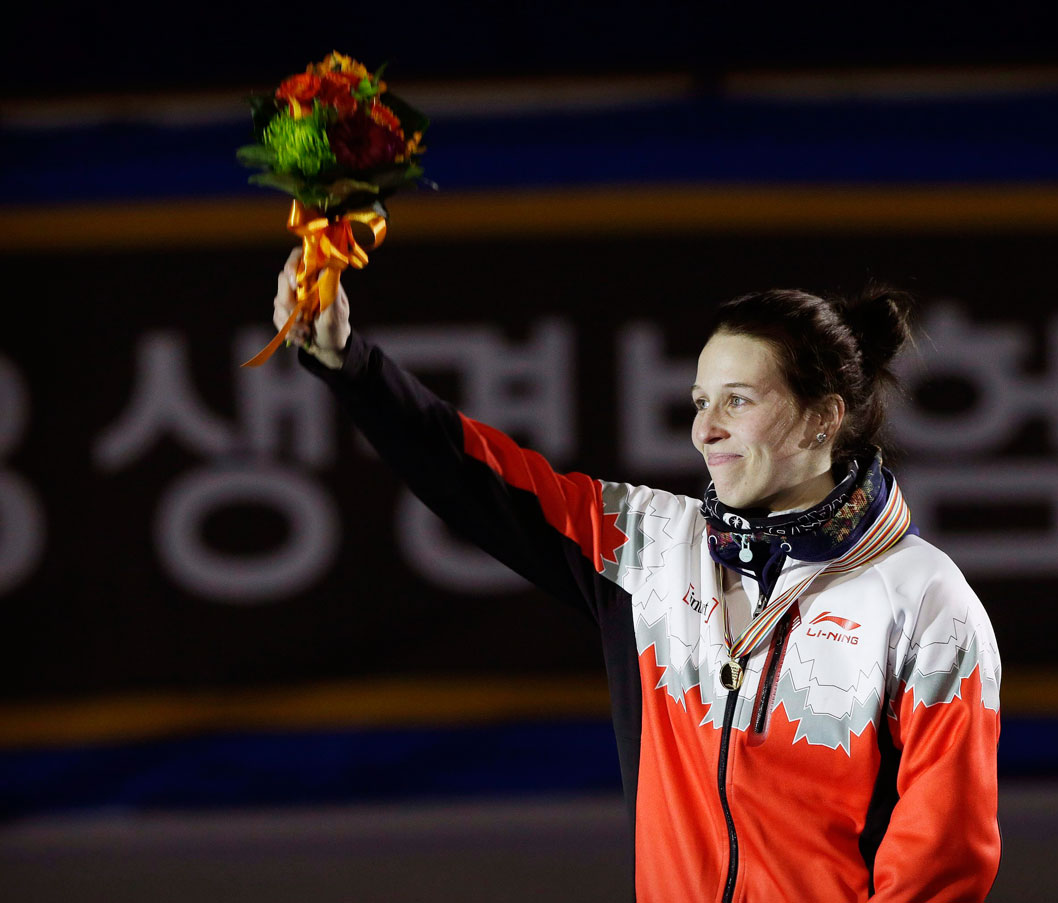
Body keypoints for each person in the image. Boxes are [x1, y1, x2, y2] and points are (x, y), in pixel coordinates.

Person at [273, 248, 1002, 902]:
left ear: (822, 419)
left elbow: (941, 861)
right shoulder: (649, 544)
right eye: (699, 402)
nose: (704, 429)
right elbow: (476, 476)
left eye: (737, 401)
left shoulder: (925, 601)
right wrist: (350, 364)